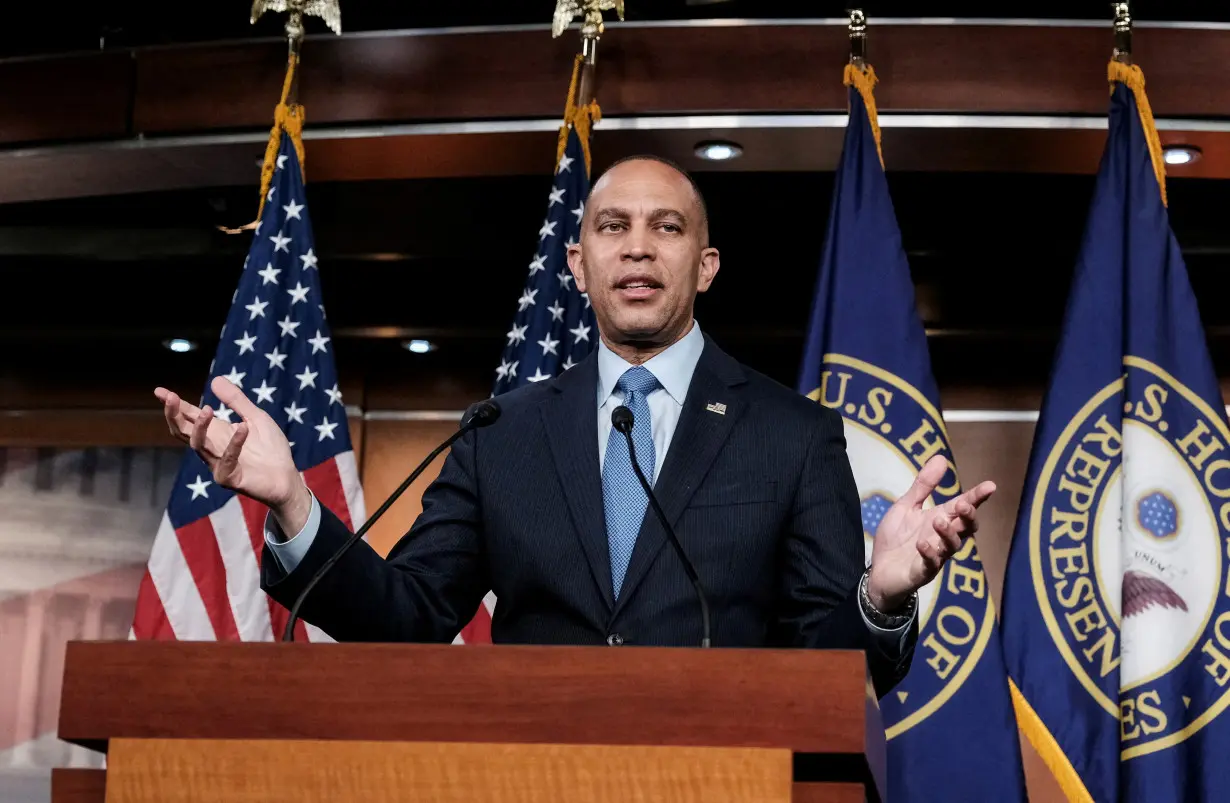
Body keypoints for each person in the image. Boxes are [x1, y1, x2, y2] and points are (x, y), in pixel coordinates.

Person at [155, 155, 994, 697]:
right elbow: (404, 618)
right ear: (577, 263)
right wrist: (295, 502)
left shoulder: (793, 433)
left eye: (666, 228)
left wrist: (880, 595)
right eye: (612, 227)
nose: (637, 248)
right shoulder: (501, 430)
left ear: (704, 268)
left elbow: (830, 676)